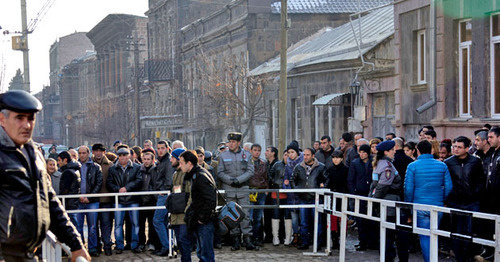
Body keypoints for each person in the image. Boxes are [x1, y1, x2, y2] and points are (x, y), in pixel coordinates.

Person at [0, 90, 90, 261]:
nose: (26, 125)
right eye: (19, 118)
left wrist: (75, 244)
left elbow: (49, 201)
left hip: (27, 253)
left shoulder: (33, 152)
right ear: (2, 119)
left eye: (30, 119)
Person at [404, 140, 452, 262]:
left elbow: (408, 189)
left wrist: (409, 205)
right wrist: (444, 200)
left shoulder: (412, 166)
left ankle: (429, 260)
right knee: (435, 235)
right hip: (437, 205)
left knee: (425, 236)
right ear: (431, 150)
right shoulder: (442, 165)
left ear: (417, 151)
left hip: (420, 205)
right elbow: (449, 187)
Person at [444, 136, 484, 261]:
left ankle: (469, 257)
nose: (456, 149)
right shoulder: (448, 162)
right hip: (455, 202)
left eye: (459, 147)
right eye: (454, 146)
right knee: (456, 232)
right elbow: (446, 182)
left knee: (471, 231)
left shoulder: (475, 162)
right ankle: (459, 257)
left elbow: (480, 181)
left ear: (467, 148)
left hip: (472, 202)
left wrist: (475, 194)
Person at [217, 132, 256, 251]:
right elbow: (220, 172)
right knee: (231, 215)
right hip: (229, 188)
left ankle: (248, 239)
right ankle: (235, 240)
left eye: (233, 142)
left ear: (239, 143)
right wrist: (230, 180)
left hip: (243, 188)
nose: (231, 144)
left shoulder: (247, 155)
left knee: (245, 214)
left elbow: (250, 171)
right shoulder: (223, 156)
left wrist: (239, 180)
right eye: (229, 142)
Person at [181, 150, 217, 262]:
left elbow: (210, 199)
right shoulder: (196, 174)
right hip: (199, 218)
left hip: (204, 221)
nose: (180, 165)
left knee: (206, 254)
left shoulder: (200, 176)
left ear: (189, 163)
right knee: (202, 252)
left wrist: (203, 218)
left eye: (182, 163)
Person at [369, 140, 402, 261]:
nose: (394, 152)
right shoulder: (386, 166)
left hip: (385, 201)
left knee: (385, 232)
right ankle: (388, 257)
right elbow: (382, 187)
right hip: (388, 202)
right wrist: (374, 202)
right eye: (392, 150)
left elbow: (374, 186)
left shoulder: (380, 164)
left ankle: (387, 255)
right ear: (386, 152)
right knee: (388, 233)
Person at [106, 147, 143, 254]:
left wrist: (127, 188)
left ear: (129, 155)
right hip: (119, 200)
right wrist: (118, 189)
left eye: (125, 155)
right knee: (118, 224)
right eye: (120, 155)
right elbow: (109, 183)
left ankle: (134, 245)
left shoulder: (136, 167)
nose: (122, 157)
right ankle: (119, 245)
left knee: (135, 223)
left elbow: (139, 180)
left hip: (133, 199)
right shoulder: (112, 169)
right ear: (118, 156)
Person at [291, 148, 327, 250]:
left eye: (307, 155)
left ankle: (318, 242)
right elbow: (292, 179)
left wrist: (322, 187)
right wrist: (297, 189)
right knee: (303, 222)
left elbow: (326, 179)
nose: (305, 157)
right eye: (304, 155)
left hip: (316, 198)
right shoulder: (299, 167)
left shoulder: (321, 167)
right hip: (303, 197)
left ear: (313, 156)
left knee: (318, 222)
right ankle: (304, 242)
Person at [347, 144, 377, 251]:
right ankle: (362, 242)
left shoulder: (373, 162)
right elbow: (350, 179)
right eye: (360, 152)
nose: (362, 154)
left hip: (371, 194)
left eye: (364, 152)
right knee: (360, 220)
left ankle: (373, 242)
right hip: (359, 194)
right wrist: (353, 192)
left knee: (372, 220)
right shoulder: (355, 163)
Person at [77, 145, 103, 257]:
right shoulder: (75, 167)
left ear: (88, 153)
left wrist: (90, 197)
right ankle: (80, 248)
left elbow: (98, 184)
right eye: (80, 153)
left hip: (92, 201)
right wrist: (78, 196)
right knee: (78, 226)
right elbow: (73, 184)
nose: (82, 155)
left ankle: (92, 248)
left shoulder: (96, 167)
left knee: (92, 227)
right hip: (78, 201)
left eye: (84, 153)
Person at [169, 148, 192, 262]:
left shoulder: (186, 174)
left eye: (173, 157)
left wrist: (188, 211)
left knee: (183, 240)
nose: (171, 160)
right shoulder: (175, 174)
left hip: (184, 214)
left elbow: (190, 195)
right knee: (179, 240)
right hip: (176, 214)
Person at [153, 140, 175, 256]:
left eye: (162, 148)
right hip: (162, 192)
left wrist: (162, 189)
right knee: (164, 221)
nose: (160, 150)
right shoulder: (162, 160)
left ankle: (166, 246)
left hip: (165, 194)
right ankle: (167, 245)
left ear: (167, 148)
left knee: (157, 220)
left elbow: (169, 180)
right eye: (158, 148)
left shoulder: (168, 161)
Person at [91, 143, 114, 256]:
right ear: (93, 152)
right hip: (93, 200)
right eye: (96, 151)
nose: (98, 153)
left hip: (106, 199)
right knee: (93, 225)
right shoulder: (89, 164)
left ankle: (107, 245)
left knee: (106, 224)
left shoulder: (110, 165)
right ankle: (96, 246)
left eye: (100, 151)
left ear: (104, 152)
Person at [324, 150, 348, 249]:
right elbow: (328, 182)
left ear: (342, 158)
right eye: (334, 158)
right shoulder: (330, 169)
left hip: (343, 196)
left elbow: (347, 183)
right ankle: (334, 240)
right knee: (333, 219)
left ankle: (342, 239)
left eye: (337, 157)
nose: (335, 160)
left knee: (342, 218)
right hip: (333, 196)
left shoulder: (346, 169)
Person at [266, 146, 289, 246]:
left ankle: (287, 237)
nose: (287, 157)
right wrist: (276, 184)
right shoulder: (277, 165)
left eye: (289, 154)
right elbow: (269, 176)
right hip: (277, 193)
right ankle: (275, 237)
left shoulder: (294, 166)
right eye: (285, 154)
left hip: (289, 195)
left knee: (287, 217)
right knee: (275, 215)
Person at [138, 151, 160, 253]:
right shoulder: (139, 169)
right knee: (141, 224)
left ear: (152, 160)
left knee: (152, 224)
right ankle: (141, 243)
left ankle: (152, 242)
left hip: (152, 201)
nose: (146, 161)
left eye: (148, 159)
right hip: (141, 200)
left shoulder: (156, 170)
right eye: (145, 159)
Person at [248, 144, 268, 246]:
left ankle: (257, 237)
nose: (257, 152)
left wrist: (266, 189)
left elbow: (266, 177)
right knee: (249, 216)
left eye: (259, 150)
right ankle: (248, 238)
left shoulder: (263, 163)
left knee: (258, 217)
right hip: (250, 191)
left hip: (261, 191)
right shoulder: (246, 162)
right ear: (251, 151)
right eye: (255, 150)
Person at [284, 140, 303, 246]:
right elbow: (285, 179)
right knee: (294, 219)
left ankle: (304, 236)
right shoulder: (288, 165)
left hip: (301, 195)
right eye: (288, 153)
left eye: (292, 152)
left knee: (303, 218)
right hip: (291, 196)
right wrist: (286, 185)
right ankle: (295, 235)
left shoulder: (302, 163)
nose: (290, 155)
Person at [58, 151, 82, 227]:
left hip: (69, 203)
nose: (58, 163)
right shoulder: (75, 169)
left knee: (72, 226)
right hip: (73, 202)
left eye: (59, 160)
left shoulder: (68, 172)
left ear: (65, 160)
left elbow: (65, 189)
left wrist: (59, 200)